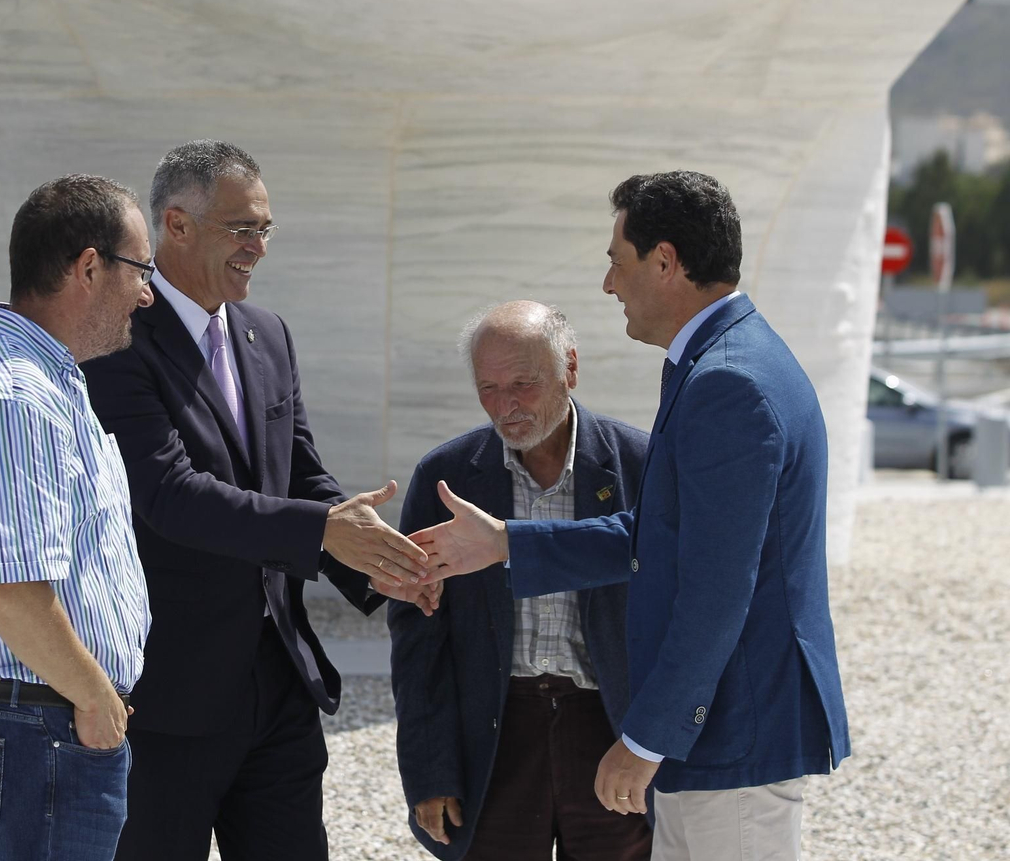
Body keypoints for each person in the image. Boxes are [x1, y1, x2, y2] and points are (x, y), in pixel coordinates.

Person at [412, 171, 850, 861]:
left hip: (731, 736)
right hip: (724, 734)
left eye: (617, 262)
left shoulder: (727, 382)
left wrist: (646, 738)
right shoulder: (727, 360)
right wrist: (504, 543)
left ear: (666, 261)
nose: (609, 285)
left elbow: (715, 589)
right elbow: (660, 538)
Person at [82, 140, 431, 861]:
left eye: (265, 228)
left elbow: (301, 475)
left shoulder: (267, 335)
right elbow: (168, 495)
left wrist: (387, 563)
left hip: (279, 683)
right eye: (242, 228)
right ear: (175, 226)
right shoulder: (118, 342)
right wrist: (322, 530)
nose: (258, 248)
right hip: (166, 695)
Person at [0, 174, 156, 861]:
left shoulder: (35, 382)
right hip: (43, 721)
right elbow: (13, 589)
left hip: (43, 716)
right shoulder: (18, 398)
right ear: (90, 267)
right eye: (142, 268)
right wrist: (98, 699)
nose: (148, 292)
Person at [389, 300, 651, 861]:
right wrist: (430, 769)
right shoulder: (446, 478)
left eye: (523, 384)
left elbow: (677, 620)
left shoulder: (640, 465)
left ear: (570, 369)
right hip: (495, 730)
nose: (505, 406)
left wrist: (653, 745)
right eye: (488, 387)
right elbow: (419, 638)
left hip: (608, 732)